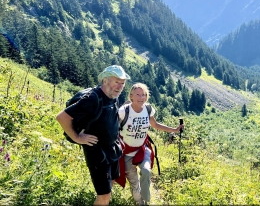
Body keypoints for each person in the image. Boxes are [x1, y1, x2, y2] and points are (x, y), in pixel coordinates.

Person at [56, 65, 131, 206]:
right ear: (105, 81)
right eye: (117, 82)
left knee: (111, 182)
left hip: (112, 148)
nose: (120, 86)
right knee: (104, 195)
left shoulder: (113, 96)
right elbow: (62, 117)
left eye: (123, 83)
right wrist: (78, 138)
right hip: (97, 152)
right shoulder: (92, 99)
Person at [116, 82, 183, 205]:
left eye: (144, 95)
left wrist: (174, 129)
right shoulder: (123, 111)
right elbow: (113, 127)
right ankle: (139, 202)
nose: (141, 97)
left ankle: (146, 200)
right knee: (135, 185)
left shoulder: (148, 109)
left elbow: (155, 125)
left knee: (146, 171)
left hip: (142, 148)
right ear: (131, 96)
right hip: (126, 152)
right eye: (138, 95)